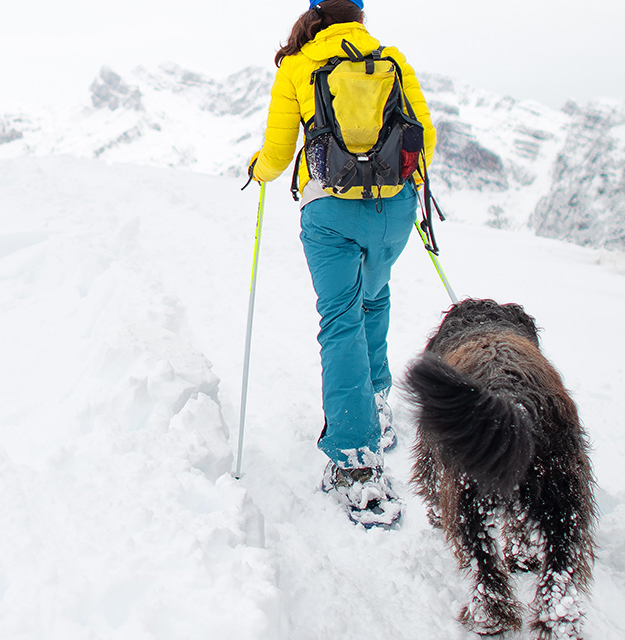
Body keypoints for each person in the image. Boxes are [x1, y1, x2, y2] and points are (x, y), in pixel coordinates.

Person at [247, 0, 437, 527]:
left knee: (341, 319)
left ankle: (355, 460)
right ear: (357, 16)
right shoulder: (392, 60)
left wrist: (257, 169)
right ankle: (378, 404)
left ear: (313, 15)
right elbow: (426, 139)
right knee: (374, 296)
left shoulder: (298, 66)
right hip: (394, 209)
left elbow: (279, 153)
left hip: (330, 211)